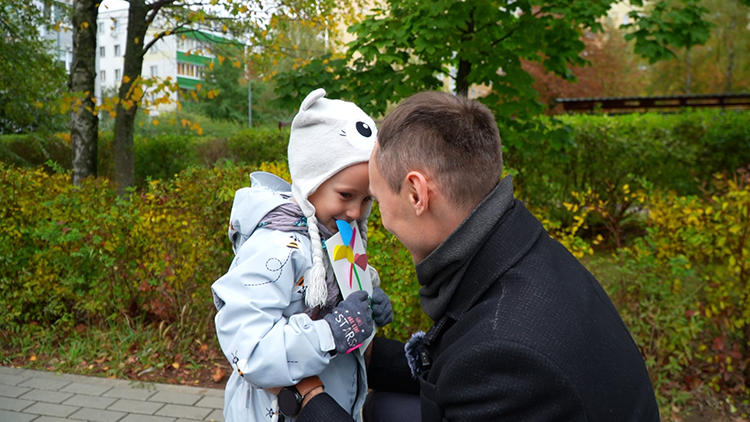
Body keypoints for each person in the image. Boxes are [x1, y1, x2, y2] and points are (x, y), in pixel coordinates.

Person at [295, 91, 661, 422]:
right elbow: (451, 362)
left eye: (374, 197)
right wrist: (369, 357)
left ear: (416, 194)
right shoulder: (523, 252)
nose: (359, 216)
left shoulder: (503, 356)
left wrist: (309, 398)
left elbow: (476, 362)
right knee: (382, 407)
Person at [211, 88, 394, 422]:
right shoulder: (275, 247)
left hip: (335, 402)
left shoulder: (339, 233)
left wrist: (370, 300)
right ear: (311, 181)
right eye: (346, 195)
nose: (356, 211)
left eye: (367, 198)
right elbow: (249, 348)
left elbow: (349, 298)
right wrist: (330, 332)